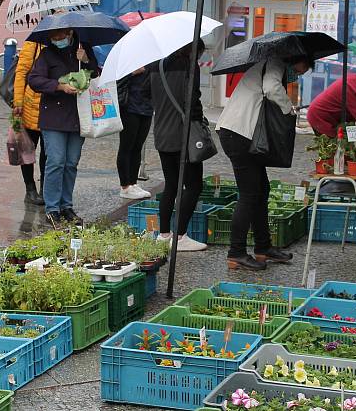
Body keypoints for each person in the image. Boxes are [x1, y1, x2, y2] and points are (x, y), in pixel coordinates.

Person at [216, 55, 313, 270]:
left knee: (261, 189)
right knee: (250, 194)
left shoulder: (269, 64)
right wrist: (289, 108)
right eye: (301, 69)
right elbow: (271, 88)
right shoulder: (275, 62)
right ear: (297, 58)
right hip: (238, 133)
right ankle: (236, 252)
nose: (298, 75)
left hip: (243, 134)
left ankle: (263, 247)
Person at [28, 28, 99, 228]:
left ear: (70, 33)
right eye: (54, 37)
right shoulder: (47, 54)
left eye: (61, 36)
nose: (58, 40)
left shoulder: (83, 49)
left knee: (71, 163)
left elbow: (96, 74)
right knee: (56, 162)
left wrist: (85, 60)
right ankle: (52, 209)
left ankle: (66, 206)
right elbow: (34, 79)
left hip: (78, 116)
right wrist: (60, 86)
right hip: (54, 117)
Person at [148, 41, 208, 252]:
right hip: (183, 134)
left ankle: (164, 234)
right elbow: (192, 100)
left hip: (162, 133)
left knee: (171, 184)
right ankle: (180, 236)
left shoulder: (156, 65)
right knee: (193, 185)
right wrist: (200, 120)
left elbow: (147, 95)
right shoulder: (190, 67)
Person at [12, 40, 47, 205]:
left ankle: (46, 190)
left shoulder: (70, 44)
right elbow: (21, 73)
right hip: (29, 106)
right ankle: (30, 189)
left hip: (52, 108)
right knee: (26, 150)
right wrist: (18, 102)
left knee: (49, 154)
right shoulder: (33, 43)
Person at [116, 68, 153, 199]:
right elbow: (117, 80)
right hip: (129, 107)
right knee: (126, 146)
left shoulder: (152, 59)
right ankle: (125, 186)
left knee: (138, 147)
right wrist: (132, 73)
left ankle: (133, 183)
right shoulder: (129, 58)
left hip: (147, 107)